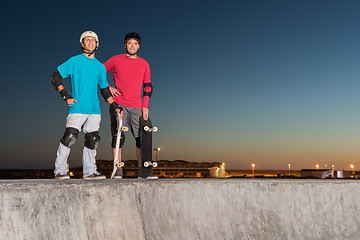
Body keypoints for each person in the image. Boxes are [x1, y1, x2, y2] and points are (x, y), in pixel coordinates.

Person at [51, 31, 122, 180]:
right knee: (69, 137)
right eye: (87, 40)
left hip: (94, 110)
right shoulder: (74, 61)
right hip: (77, 107)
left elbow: (104, 89)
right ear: (82, 44)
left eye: (93, 40)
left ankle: (89, 172)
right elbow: (55, 76)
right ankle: (60, 170)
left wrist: (114, 105)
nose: (90, 42)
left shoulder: (100, 67)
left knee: (93, 140)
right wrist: (65, 95)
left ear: (97, 44)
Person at [104, 32, 157, 179]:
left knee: (142, 139)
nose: (132, 46)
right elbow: (99, 72)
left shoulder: (144, 63)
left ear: (139, 46)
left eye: (135, 43)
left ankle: (143, 171)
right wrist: (108, 87)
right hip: (119, 105)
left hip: (137, 107)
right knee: (118, 137)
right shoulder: (116, 59)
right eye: (129, 43)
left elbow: (147, 87)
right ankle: (118, 170)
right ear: (125, 45)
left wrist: (145, 106)